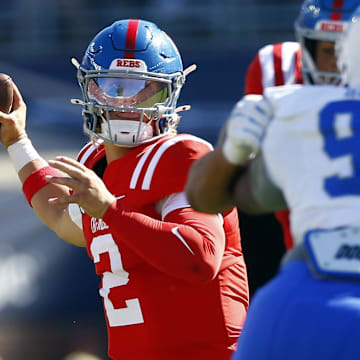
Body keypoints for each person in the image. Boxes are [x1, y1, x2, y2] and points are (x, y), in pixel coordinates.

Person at [0, 20, 249, 360]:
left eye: (142, 88)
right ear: (89, 89)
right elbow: (60, 214)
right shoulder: (94, 161)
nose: (125, 103)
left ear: (169, 93)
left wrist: (110, 211)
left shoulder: (181, 157)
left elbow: (200, 257)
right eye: (112, 86)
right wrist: (17, 141)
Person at [187, 5, 360, 359]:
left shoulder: (289, 103)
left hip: (305, 296)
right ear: (307, 50)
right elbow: (216, 197)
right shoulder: (290, 97)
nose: (342, 66)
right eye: (330, 51)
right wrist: (230, 151)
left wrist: (230, 152)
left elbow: (214, 196)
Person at [239, 0, 360, 294]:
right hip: (308, 271)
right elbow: (244, 194)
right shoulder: (277, 74)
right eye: (330, 50)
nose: (341, 65)